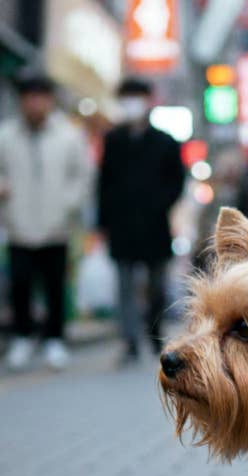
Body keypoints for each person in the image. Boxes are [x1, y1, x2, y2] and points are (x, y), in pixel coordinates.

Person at [0, 70, 91, 371]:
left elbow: (82, 176)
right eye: (29, 97)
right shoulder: (6, 137)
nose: (34, 103)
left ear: (50, 100)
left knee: (54, 286)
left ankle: (55, 339)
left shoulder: (68, 135)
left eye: (40, 97)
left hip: (56, 227)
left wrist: (67, 205)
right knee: (20, 284)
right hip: (18, 226)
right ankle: (22, 337)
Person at [98, 77, 185, 364]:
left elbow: (177, 181)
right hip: (121, 224)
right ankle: (130, 340)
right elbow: (104, 183)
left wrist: (160, 204)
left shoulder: (165, 141)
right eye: (127, 97)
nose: (132, 104)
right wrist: (104, 221)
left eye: (137, 97)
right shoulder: (113, 140)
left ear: (149, 101)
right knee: (124, 284)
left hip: (154, 224)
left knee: (156, 283)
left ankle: (154, 330)